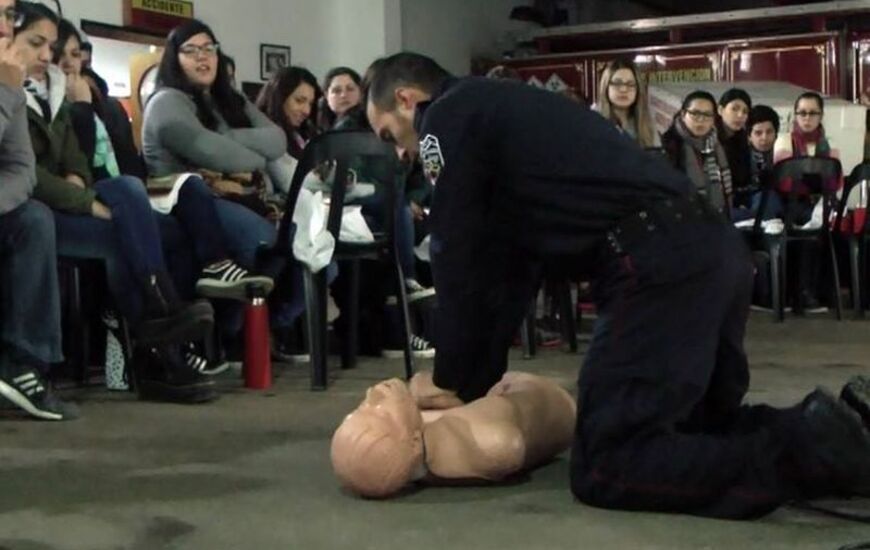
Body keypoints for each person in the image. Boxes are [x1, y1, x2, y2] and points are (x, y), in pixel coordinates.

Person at [364, 52, 870, 519]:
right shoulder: (502, 113)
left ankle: (811, 447)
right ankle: (846, 428)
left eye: (390, 135)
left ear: (407, 99)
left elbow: (455, 251)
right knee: (694, 428)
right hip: (709, 250)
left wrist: (447, 375)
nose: (401, 153)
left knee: (611, 462)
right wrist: (472, 384)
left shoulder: (444, 116)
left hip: (656, 260)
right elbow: (508, 271)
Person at [0, 0, 78, 420]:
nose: (4, 27)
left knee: (33, 219)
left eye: (7, 16)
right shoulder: (9, 82)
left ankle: (23, 364)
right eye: (36, 43)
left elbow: (21, 169)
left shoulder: (10, 81)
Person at [331, 371, 575, 498]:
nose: (372, 394)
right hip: (550, 400)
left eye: (361, 408)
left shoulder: (411, 445)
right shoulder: (490, 443)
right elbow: (507, 445)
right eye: (382, 413)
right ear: (414, 442)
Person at [773, 91, 841, 313]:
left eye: (813, 113)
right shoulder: (785, 140)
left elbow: (836, 182)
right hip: (789, 205)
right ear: (795, 114)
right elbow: (784, 183)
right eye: (802, 113)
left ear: (821, 116)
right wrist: (815, 181)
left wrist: (807, 179)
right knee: (808, 225)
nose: (807, 118)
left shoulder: (829, 144)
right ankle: (803, 293)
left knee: (834, 227)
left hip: (820, 204)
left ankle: (825, 293)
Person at [662, 90, 732, 218]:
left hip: (718, 218)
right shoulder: (668, 146)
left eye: (707, 115)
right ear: (683, 114)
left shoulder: (717, 145)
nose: (701, 120)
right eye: (695, 113)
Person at [594, 58, 659, 148]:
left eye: (630, 84)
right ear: (606, 87)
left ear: (638, 89)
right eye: (617, 83)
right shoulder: (593, 120)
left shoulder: (647, 121)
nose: (623, 89)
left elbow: (656, 154)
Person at [716, 88, 752, 214]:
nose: (740, 115)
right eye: (734, 109)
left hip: (737, 199)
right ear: (720, 110)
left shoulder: (743, 138)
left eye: (745, 111)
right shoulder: (710, 138)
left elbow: (744, 179)